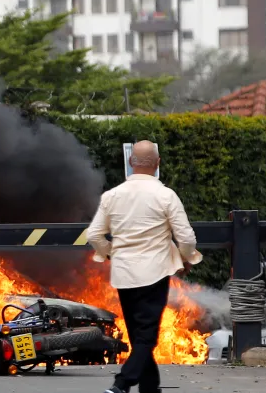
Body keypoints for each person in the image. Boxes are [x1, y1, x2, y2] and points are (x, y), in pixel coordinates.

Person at [86, 140, 203, 393]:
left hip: (124, 274)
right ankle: (122, 384)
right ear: (158, 163)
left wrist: (108, 254)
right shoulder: (166, 195)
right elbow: (187, 238)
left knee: (140, 335)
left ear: (130, 163)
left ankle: (150, 388)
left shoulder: (112, 196)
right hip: (155, 272)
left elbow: (95, 235)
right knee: (146, 337)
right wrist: (185, 259)